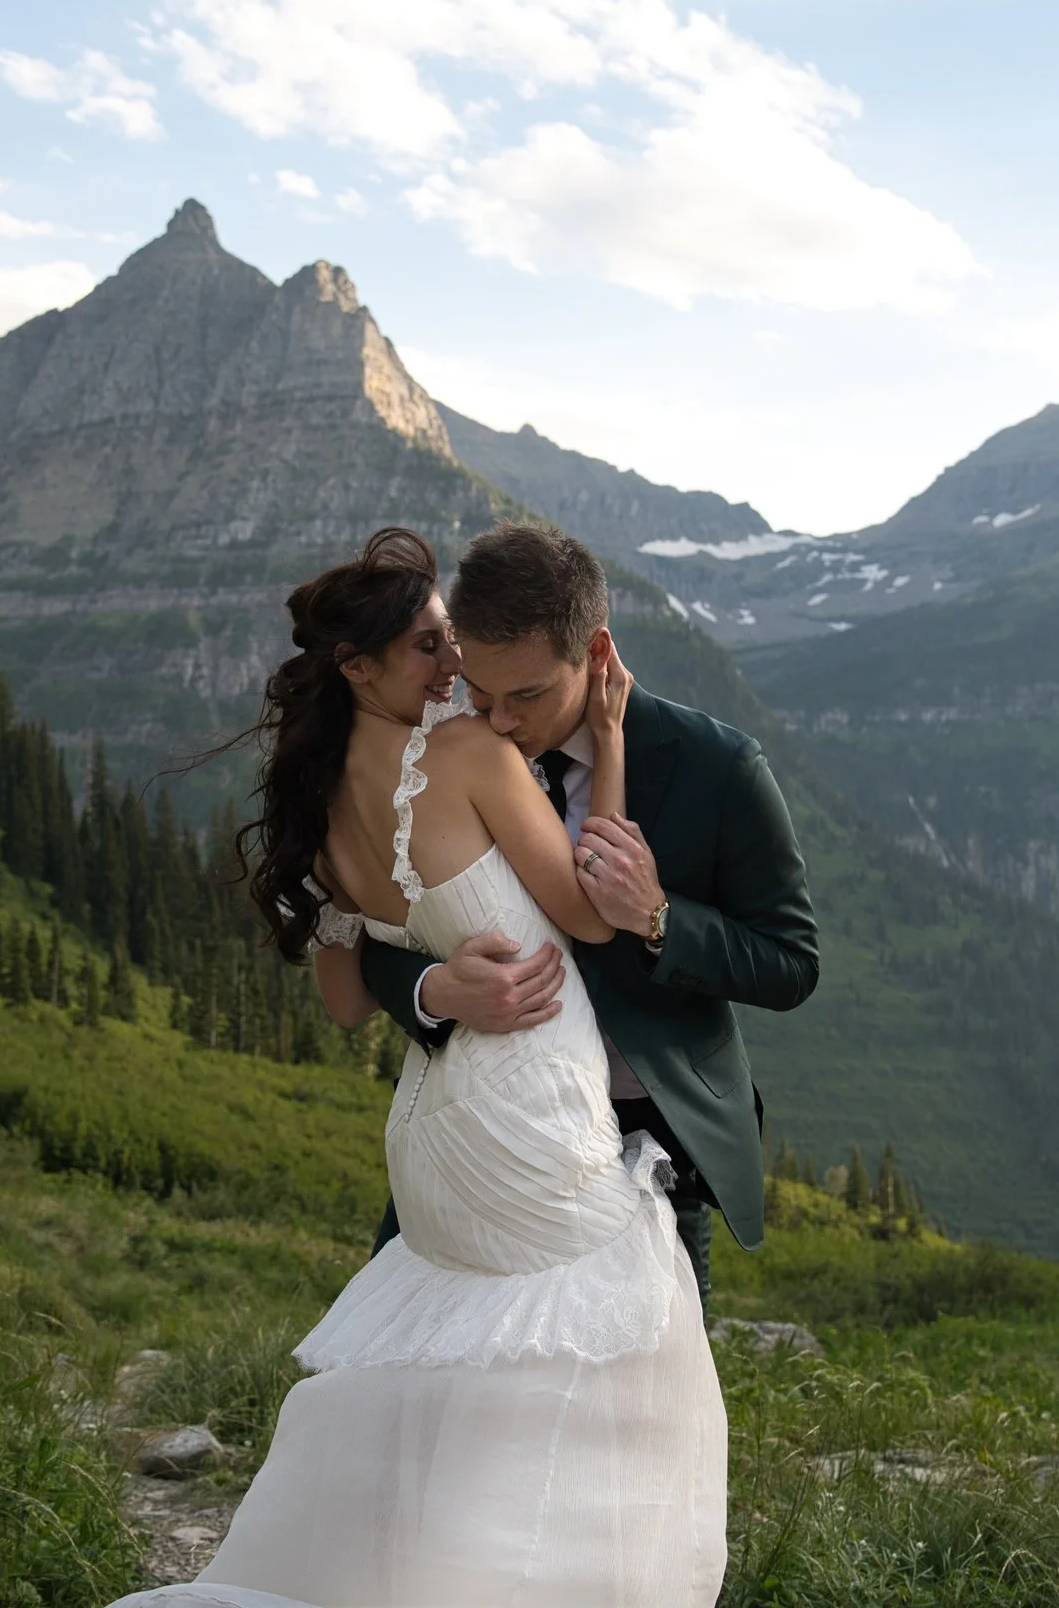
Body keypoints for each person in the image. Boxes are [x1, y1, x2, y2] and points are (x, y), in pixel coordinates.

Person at [115, 525, 739, 1608]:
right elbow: (594, 916)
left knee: (471, 1363)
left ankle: (427, 1569)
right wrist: (613, 736)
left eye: (449, 639)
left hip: (431, 1126)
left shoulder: (313, 811)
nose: (452, 668)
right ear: (357, 667)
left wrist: (440, 982)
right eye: (425, 648)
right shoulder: (466, 756)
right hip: (531, 1110)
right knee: (627, 1344)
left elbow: (348, 996)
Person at [368, 522, 820, 1305]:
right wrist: (435, 990)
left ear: (597, 653)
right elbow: (367, 937)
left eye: (529, 695)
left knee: (642, 1407)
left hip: (652, 1138)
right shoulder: (439, 756)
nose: (500, 720)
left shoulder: (719, 768)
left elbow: (792, 961)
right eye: (482, 691)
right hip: (488, 1133)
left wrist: (659, 918)